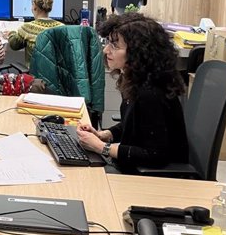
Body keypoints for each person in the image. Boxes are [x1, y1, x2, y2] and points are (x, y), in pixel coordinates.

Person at [76, 13, 188, 174]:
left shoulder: (150, 94)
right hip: (134, 166)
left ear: (138, 52)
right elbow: (134, 125)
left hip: (152, 177)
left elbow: (156, 154)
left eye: (115, 46)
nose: (106, 50)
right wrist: (105, 135)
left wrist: (101, 147)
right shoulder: (134, 80)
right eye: (108, 43)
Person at [8, 0, 63, 66]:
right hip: (57, 76)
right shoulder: (62, 27)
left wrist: (11, 33)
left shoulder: (28, 28)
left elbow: (14, 45)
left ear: (34, 7)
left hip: (34, 76)